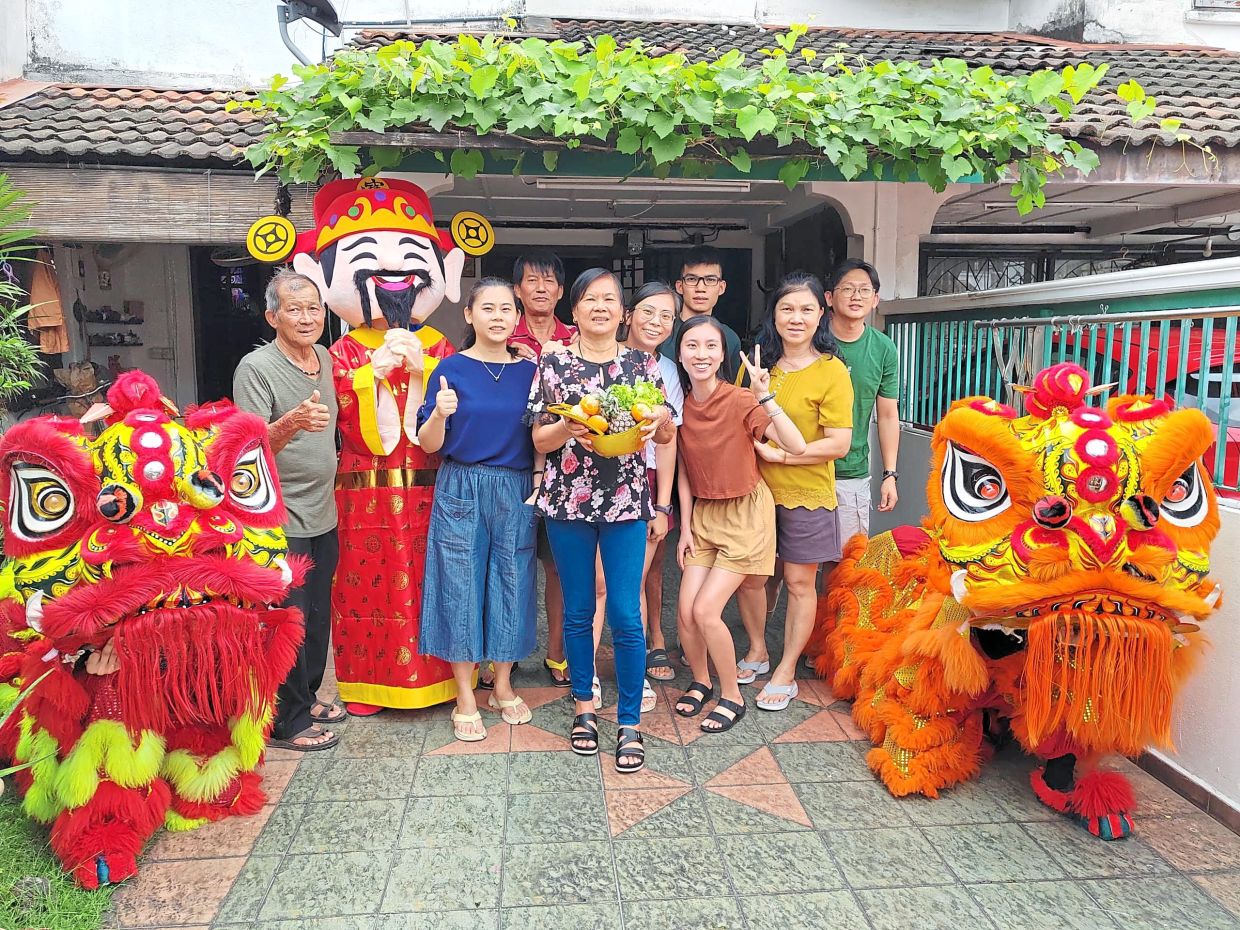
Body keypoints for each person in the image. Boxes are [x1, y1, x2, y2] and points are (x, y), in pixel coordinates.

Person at [291, 176, 465, 716]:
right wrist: (371, 374)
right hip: (362, 491)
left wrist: (424, 370)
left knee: (437, 577)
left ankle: (445, 679)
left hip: (431, 486)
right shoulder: (338, 351)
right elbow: (339, 415)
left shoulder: (438, 342)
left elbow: (459, 404)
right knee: (365, 589)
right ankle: (368, 684)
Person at [529, 268, 674, 773]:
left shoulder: (642, 365)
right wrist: (567, 428)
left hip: (626, 502)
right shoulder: (554, 363)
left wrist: (661, 423)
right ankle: (585, 709)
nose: (601, 307)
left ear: (622, 313)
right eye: (591, 299)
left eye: (610, 299)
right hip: (567, 499)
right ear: (574, 311)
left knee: (626, 616)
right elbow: (538, 440)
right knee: (575, 610)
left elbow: (665, 436)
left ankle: (630, 721)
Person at [417, 278, 538, 742]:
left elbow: (541, 436)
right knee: (459, 582)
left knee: (512, 579)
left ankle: (502, 683)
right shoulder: (450, 370)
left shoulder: (529, 373)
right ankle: (465, 693)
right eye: (487, 308)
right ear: (469, 315)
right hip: (461, 482)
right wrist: (440, 414)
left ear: (516, 318)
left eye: (506, 309)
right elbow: (430, 445)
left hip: (514, 486)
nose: (497, 316)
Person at [674, 317, 807, 733]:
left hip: (745, 515)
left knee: (706, 610)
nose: (701, 354)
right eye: (692, 346)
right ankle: (701, 681)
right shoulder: (679, 403)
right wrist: (684, 526)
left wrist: (765, 396)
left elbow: (796, 444)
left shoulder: (740, 399)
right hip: (703, 515)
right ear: (679, 353)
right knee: (684, 612)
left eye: (710, 346)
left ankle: (731, 696)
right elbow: (682, 468)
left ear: (723, 355)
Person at [734, 274, 854, 710]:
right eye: (787, 309)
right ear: (774, 315)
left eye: (806, 310)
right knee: (753, 578)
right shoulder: (758, 367)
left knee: (800, 582)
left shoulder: (832, 370)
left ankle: (786, 670)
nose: (796, 318)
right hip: (756, 493)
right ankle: (758, 651)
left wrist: (785, 459)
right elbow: (743, 424)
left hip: (807, 493)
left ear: (821, 314)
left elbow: (838, 443)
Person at [233, 269, 341, 751]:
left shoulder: (324, 357)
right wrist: (292, 423)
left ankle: (309, 695)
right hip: (280, 515)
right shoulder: (255, 367)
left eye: (313, 307)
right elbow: (245, 448)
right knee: (287, 619)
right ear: (272, 315)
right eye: (294, 309)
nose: (306, 317)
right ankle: (287, 720)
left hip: (324, 510)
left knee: (317, 615)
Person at [586, 282, 683, 712]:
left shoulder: (666, 372)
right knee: (597, 585)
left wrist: (662, 504)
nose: (656, 322)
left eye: (666, 315)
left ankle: (633, 670)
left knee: (629, 584)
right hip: (589, 479)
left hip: (640, 481)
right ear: (629, 314)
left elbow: (668, 439)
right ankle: (586, 674)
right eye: (648, 312)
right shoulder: (595, 356)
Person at [508, 251, 575, 689]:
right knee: (511, 565)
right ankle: (507, 654)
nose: (541, 288)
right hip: (509, 465)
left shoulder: (576, 338)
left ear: (561, 291)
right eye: (532, 280)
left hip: (564, 470)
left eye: (549, 281)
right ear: (518, 289)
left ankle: (556, 654)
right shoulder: (497, 331)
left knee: (558, 569)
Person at [827, 259, 901, 541]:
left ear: (875, 299)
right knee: (784, 565)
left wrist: (890, 474)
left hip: (851, 471)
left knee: (847, 564)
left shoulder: (883, 348)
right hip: (802, 467)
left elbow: (887, 415)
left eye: (864, 290)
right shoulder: (811, 338)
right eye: (847, 288)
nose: (856, 296)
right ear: (829, 297)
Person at [657, 246, 745, 384]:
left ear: (721, 287)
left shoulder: (729, 338)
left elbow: (730, 390)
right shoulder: (661, 331)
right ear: (680, 286)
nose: (700, 288)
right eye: (692, 279)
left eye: (710, 280)